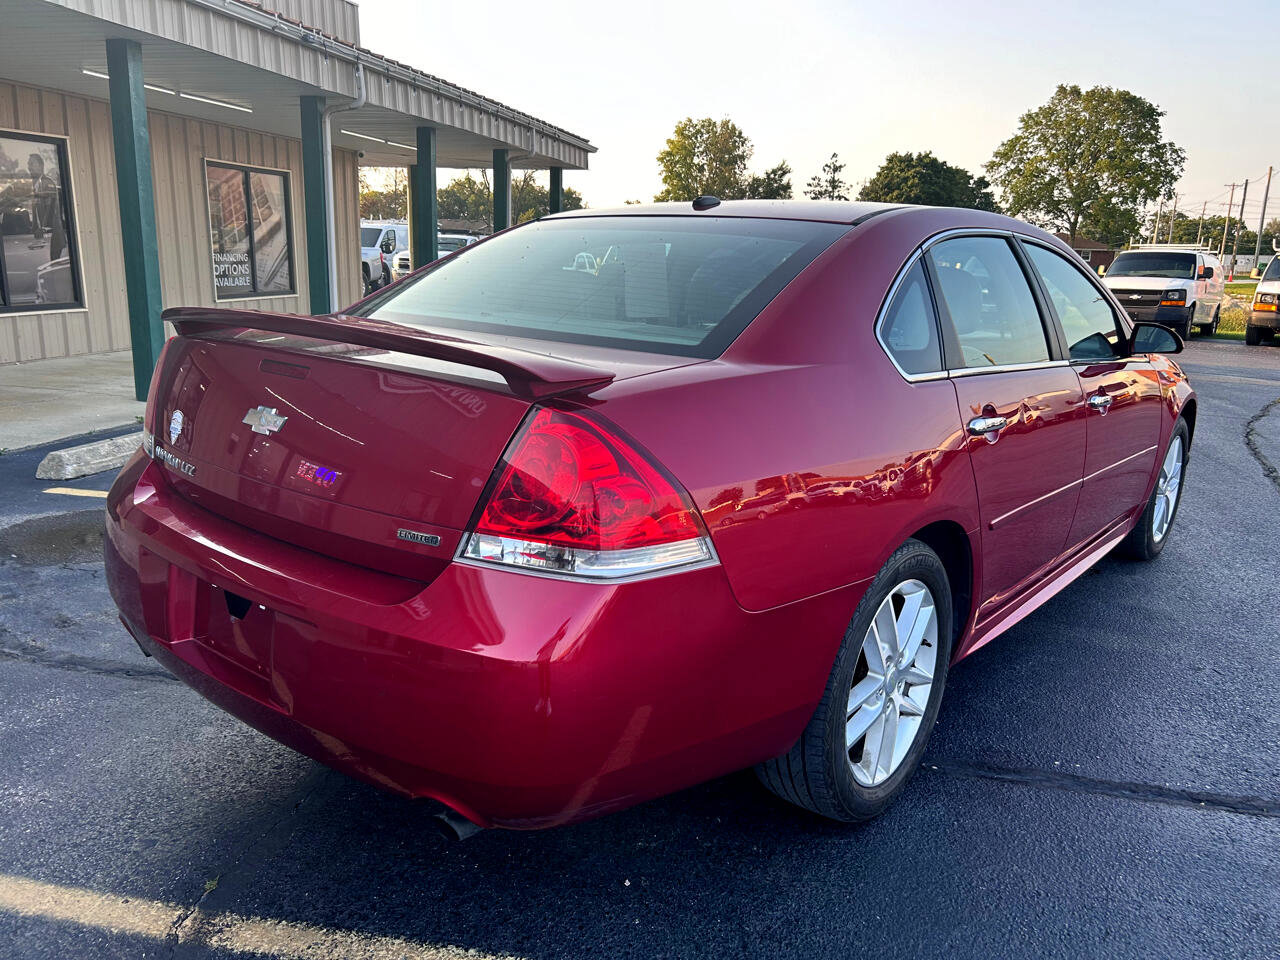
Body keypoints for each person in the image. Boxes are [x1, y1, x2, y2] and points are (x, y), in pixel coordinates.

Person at [28, 152, 66, 261]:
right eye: (28, 164)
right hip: (46, 237)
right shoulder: (36, 184)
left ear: (41, 166)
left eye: (32, 164)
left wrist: (44, 229)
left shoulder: (47, 183)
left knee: (52, 271)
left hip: (52, 237)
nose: (29, 167)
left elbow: (51, 210)